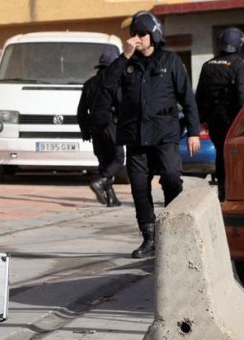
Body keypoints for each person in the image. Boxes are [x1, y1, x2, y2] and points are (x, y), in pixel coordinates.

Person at [102, 10, 200, 259]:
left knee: (170, 178)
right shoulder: (126, 64)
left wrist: (193, 132)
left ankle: (175, 233)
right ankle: (149, 236)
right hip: (135, 137)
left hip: (164, 133)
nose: (137, 38)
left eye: (142, 34)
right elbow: (106, 85)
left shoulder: (170, 62)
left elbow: (187, 98)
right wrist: (124, 56)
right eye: (134, 34)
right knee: (138, 187)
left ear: (153, 34)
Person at [196, 27, 244, 202]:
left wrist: (203, 119)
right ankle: (236, 189)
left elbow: (200, 95)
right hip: (233, 117)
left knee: (221, 151)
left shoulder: (207, 65)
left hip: (214, 118)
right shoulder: (238, 64)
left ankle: (222, 188)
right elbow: (243, 96)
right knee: (237, 153)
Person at [77, 50, 124, 207]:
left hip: (94, 127)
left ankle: (111, 198)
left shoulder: (89, 84)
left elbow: (81, 110)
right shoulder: (114, 81)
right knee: (118, 159)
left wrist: (85, 130)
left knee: (104, 161)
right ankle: (99, 181)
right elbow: (121, 103)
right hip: (110, 124)